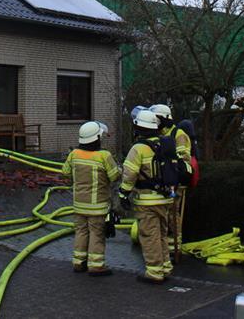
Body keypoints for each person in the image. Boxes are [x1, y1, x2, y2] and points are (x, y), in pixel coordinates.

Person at [119, 109, 175, 284]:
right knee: (162, 234)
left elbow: (129, 174)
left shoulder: (138, 148)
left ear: (138, 128)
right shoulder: (165, 143)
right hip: (165, 198)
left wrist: (123, 194)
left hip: (147, 200)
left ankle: (154, 272)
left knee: (149, 236)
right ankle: (165, 267)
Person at [62, 121, 120, 276]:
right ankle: (96, 265)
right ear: (96, 138)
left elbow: (65, 172)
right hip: (97, 206)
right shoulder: (104, 156)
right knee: (96, 233)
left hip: (78, 205)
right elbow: (114, 176)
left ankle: (78, 262)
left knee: (81, 232)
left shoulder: (74, 154)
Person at [148, 103, 193, 259]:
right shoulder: (158, 134)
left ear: (164, 118)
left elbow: (183, 159)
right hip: (162, 182)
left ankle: (175, 245)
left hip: (176, 181)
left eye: (157, 119)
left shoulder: (178, 134)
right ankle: (164, 246)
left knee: (173, 214)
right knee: (163, 214)